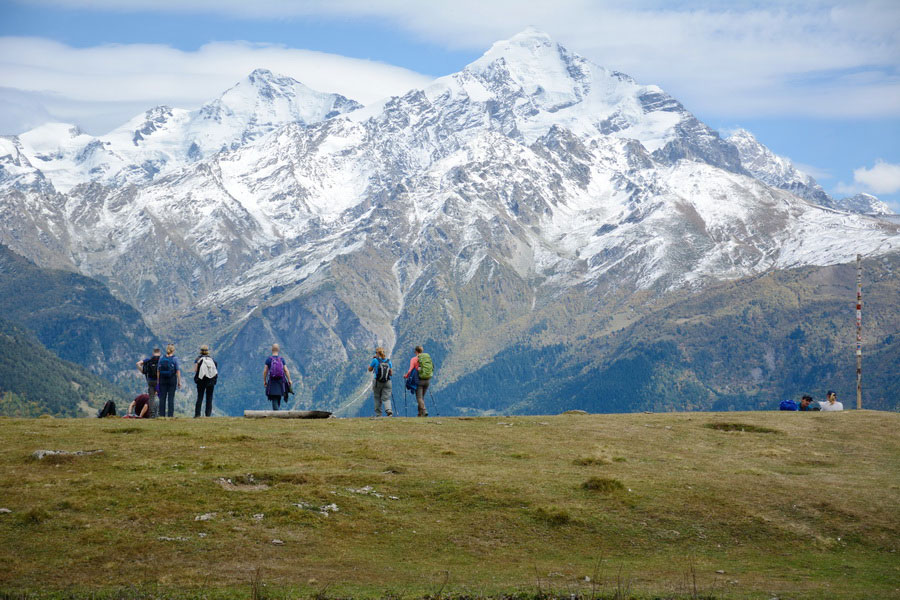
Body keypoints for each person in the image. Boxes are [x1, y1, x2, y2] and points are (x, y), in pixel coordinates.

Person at [404, 345, 434, 417]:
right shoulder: (427, 358)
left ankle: (424, 410)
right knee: (421, 397)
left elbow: (410, 369)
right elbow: (432, 367)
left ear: (416, 351)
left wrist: (406, 376)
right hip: (427, 380)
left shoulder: (414, 359)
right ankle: (420, 414)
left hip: (419, 380)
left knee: (419, 397)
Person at [263, 344, 292, 410]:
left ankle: (276, 414)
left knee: (274, 397)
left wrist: (264, 380)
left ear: (272, 349)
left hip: (272, 381)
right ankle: (277, 413)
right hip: (281, 381)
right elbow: (286, 370)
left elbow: (265, 371)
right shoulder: (281, 359)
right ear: (278, 350)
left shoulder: (268, 359)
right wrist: (289, 380)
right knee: (278, 396)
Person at [156, 344, 182, 418]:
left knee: (162, 398)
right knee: (171, 398)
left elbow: (158, 370)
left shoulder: (161, 358)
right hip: (172, 380)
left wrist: (158, 381)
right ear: (173, 350)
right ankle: (170, 415)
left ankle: (161, 415)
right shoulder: (175, 359)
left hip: (162, 380)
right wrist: (179, 382)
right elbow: (178, 371)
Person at [193, 345, 218, 418]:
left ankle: (197, 414)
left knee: (200, 397)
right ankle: (208, 415)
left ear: (201, 351)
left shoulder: (198, 359)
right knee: (209, 398)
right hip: (210, 381)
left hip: (201, 381)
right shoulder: (212, 360)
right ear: (208, 351)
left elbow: (195, 370)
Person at [367, 347, 393, 417]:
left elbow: (370, 369)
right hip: (387, 382)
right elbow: (391, 373)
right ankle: (389, 410)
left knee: (377, 397)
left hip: (377, 381)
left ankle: (378, 414)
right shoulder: (388, 361)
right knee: (386, 398)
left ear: (377, 353)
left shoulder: (375, 360)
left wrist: (373, 361)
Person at [136, 347, 161, 418]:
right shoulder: (161, 360)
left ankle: (152, 414)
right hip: (158, 381)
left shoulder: (148, 360)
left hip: (150, 380)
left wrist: (142, 371)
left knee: (151, 398)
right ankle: (159, 413)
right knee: (160, 397)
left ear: (153, 353)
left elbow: (137, 363)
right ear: (159, 353)